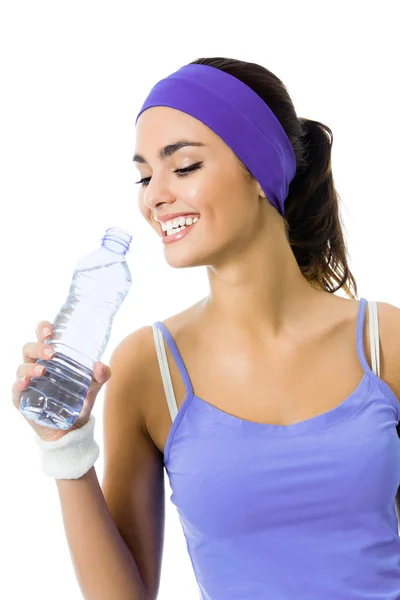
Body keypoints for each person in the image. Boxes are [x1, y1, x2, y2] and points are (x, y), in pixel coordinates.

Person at [13, 57, 400, 599]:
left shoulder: (383, 342)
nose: (154, 196)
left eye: (184, 167)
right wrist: (65, 447)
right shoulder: (149, 368)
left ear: (261, 170)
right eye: (145, 176)